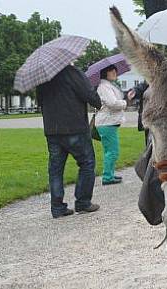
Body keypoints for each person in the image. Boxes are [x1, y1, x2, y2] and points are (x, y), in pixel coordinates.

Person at [36, 64, 102, 218]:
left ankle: (57, 207)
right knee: (87, 163)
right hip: (74, 127)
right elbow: (89, 95)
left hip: (52, 129)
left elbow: (40, 101)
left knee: (55, 169)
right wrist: (97, 102)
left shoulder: (43, 78)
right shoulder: (72, 73)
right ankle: (83, 202)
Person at [95, 65, 128, 185]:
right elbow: (112, 103)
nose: (114, 73)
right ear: (105, 73)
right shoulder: (104, 87)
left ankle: (110, 174)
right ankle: (107, 177)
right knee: (113, 151)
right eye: (111, 71)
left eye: (115, 70)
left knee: (109, 151)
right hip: (107, 123)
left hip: (108, 123)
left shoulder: (107, 86)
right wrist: (124, 103)